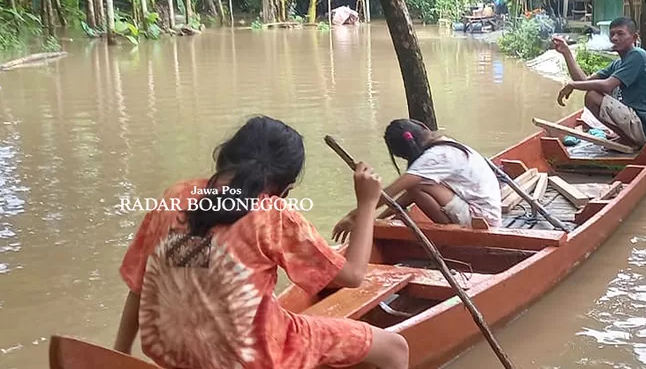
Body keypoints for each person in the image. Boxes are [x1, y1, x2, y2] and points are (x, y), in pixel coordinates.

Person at [113, 115, 408, 369]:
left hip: (174, 353)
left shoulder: (175, 196)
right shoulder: (272, 216)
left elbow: (139, 286)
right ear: (286, 187)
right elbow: (354, 275)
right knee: (396, 348)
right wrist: (367, 204)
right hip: (253, 359)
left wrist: (119, 354)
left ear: (227, 155)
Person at [332, 119, 502, 243]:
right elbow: (405, 197)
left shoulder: (432, 158)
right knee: (416, 187)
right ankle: (451, 230)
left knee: (415, 187)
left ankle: (453, 235)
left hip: (482, 221)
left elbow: (390, 193)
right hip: (487, 215)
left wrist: (355, 216)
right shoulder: (445, 144)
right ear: (423, 128)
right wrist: (378, 220)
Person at [553, 16, 646, 147]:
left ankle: (629, 140)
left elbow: (607, 86)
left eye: (620, 34)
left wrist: (573, 85)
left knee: (592, 96)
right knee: (592, 92)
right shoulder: (618, 63)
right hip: (637, 123)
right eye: (612, 34)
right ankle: (626, 137)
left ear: (634, 38)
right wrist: (566, 52)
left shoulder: (638, 55)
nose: (615, 38)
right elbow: (584, 81)